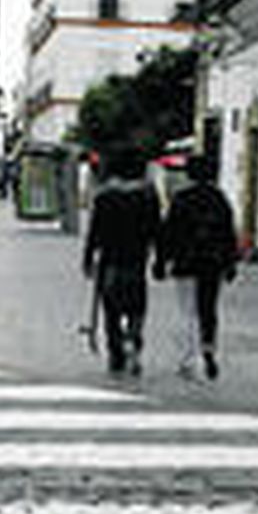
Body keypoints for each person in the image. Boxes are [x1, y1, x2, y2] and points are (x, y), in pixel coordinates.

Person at [155, 154, 238, 380]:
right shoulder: (219, 199)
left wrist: (161, 261)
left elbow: (168, 233)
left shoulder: (181, 199)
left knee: (187, 312)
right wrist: (231, 263)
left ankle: (188, 360)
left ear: (189, 174)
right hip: (212, 263)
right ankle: (209, 350)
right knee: (208, 310)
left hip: (185, 262)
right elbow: (229, 234)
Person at [82, 146, 160, 375]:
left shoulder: (105, 195)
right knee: (137, 306)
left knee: (111, 310)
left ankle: (116, 354)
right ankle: (134, 339)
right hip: (137, 260)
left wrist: (88, 258)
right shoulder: (148, 195)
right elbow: (157, 230)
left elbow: (94, 232)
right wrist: (161, 259)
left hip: (110, 261)